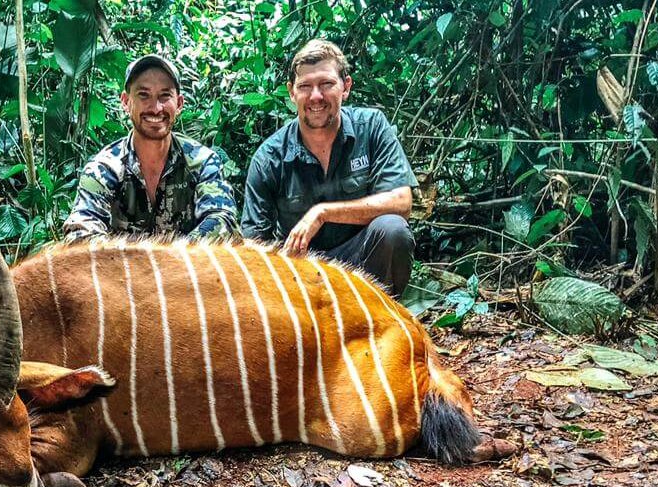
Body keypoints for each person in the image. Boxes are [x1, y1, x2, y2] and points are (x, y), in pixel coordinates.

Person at [241, 40, 418, 295]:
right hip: (300, 274)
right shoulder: (269, 158)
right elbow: (253, 243)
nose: (316, 96)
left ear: (346, 87)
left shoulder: (372, 126)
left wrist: (323, 213)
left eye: (326, 84)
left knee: (393, 230)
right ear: (292, 92)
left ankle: (381, 314)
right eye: (305, 86)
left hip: (362, 264)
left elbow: (401, 202)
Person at [63, 55, 238, 240]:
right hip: (123, 260)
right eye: (143, 95)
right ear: (125, 102)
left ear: (179, 104)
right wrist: (135, 259)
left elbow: (222, 221)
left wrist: (176, 254)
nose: (155, 108)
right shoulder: (103, 169)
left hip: (187, 258)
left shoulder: (202, 162)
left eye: (165, 95)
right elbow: (80, 234)